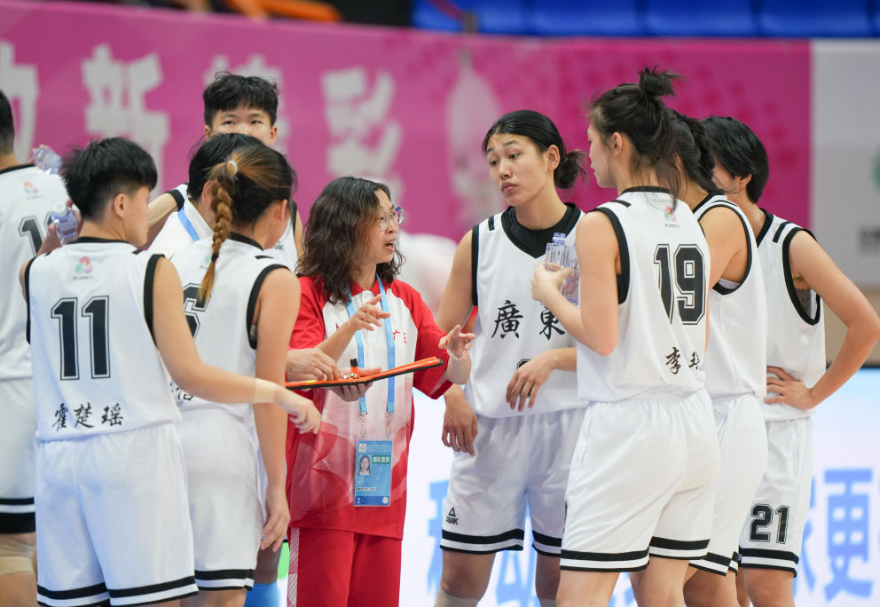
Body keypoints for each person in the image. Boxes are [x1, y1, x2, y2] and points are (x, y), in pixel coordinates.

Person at [21, 137, 320, 607]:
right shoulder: (151, 267)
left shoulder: (39, 273)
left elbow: (43, 269)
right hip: (147, 454)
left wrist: (62, 235)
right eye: (144, 200)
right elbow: (191, 374)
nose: (151, 213)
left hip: (63, 461)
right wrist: (277, 394)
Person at [531, 68, 720, 607]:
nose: (588, 156)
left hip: (630, 427)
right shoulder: (687, 215)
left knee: (580, 598)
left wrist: (548, 292)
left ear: (617, 142)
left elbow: (601, 338)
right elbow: (697, 335)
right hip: (693, 419)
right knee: (662, 596)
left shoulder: (599, 223)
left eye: (592, 142)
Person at [703, 116, 880, 607]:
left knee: (767, 582)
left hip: (777, 430)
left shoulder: (791, 244)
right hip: (717, 426)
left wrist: (813, 394)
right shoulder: (696, 242)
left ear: (740, 175)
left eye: (707, 165)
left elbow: (867, 324)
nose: (698, 176)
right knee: (719, 581)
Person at [286, 176, 473, 607]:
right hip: (320, 493)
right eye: (379, 218)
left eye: (394, 215)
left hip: (386, 490)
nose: (392, 227)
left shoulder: (404, 296)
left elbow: (444, 375)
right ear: (345, 226)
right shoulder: (307, 293)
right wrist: (350, 327)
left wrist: (459, 355)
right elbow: (301, 368)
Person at [433, 109, 586, 607]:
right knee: (459, 580)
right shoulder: (478, 242)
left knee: (559, 585)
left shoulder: (594, 238)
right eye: (493, 160)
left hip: (572, 425)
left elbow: (618, 341)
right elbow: (442, 338)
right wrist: (453, 392)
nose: (502, 170)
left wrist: (552, 362)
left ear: (551, 157)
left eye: (514, 155)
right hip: (490, 428)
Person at [171, 144, 302, 605]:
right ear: (282, 210)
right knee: (221, 598)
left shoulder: (171, 261)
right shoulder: (275, 277)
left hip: (161, 446)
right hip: (223, 452)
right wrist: (277, 487)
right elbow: (269, 393)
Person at [664, 110, 769, 607]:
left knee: (671, 577)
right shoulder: (688, 219)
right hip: (702, 414)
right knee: (707, 582)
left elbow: (663, 310)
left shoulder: (719, 218)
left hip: (726, 413)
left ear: (675, 161)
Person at [0, 89, 69, 607]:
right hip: (71, 391)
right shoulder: (64, 184)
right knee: (57, 544)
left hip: (9, 390)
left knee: (11, 548)